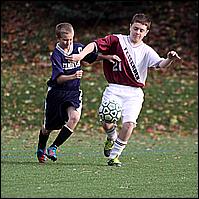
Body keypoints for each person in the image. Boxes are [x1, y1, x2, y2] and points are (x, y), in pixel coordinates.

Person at [66, 13, 181, 167]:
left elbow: (160, 64)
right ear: (130, 27)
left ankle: (114, 156)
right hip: (114, 89)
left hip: (134, 93)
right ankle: (111, 136)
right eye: (135, 29)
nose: (137, 33)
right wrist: (80, 55)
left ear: (146, 32)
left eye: (141, 30)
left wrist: (170, 59)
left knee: (129, 124)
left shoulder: (146, 50)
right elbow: (94, 45)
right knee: (107, 120)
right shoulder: (117, 40)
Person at [36, 22, 115, 163]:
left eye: (71, 39)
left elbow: (91, 57)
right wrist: (73, 76)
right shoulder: (56, 55)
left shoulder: (78, 48)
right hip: (56, 93)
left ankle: (53, 147)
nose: (68, 42)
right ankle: (41, 147)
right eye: (65, 40)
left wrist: (106, 57)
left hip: (73, 92)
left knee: (74, 118)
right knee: (48, 127)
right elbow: (59, 79)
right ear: (58, 38)